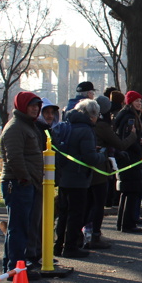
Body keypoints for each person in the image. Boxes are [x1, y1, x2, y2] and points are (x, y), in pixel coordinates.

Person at [54, 99, 106, 258]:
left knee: (63, 213)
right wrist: (101, 156)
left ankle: (58, 245)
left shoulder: (67, 125)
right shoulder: (86, 130)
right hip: (78, 177)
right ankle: (70, 246)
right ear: (92, 115)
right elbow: (90, 158)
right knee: (76, 214)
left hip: (64, 176)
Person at [0, 91, 44, 274]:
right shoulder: (15, 127)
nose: (35, 109)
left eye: (37, 106)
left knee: (20, 228)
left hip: (28, 183)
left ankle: (14, 266)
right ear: (22, 106)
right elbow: (14, 157)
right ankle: (14, 268)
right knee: (18, 228)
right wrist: (25, 178)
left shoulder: (28, 125)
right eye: (31, 106)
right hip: (18, 184)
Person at [89, 95, 137, 248]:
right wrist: (133, 135)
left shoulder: (90, 125)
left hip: (88, 169)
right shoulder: (102, 126)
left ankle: (86, 234)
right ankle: (94, 234)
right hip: (99, 169)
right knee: (98, 204)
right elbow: (119, 143)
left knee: (88, 204)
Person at [113, 90, 142, 233]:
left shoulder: (124, 115)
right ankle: (128, 223)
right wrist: (136, 143)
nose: (139, 103)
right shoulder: (130, 118)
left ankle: (122, 222)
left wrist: (138, 140)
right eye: (136, 101)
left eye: (140, 101)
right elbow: (127, 138)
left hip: (126, 158)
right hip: (130, 159)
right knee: (132, 191)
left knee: (126, 192)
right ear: (130, 102)